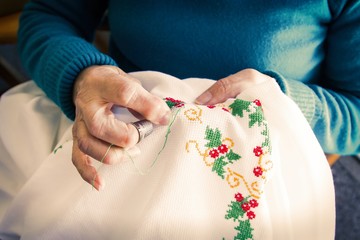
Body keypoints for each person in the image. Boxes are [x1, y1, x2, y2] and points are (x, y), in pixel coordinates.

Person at [17, 0, 359, 192]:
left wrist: (283, 101)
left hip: (257, 163)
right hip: (112, 129)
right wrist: (81, 74)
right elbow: (48, 15)